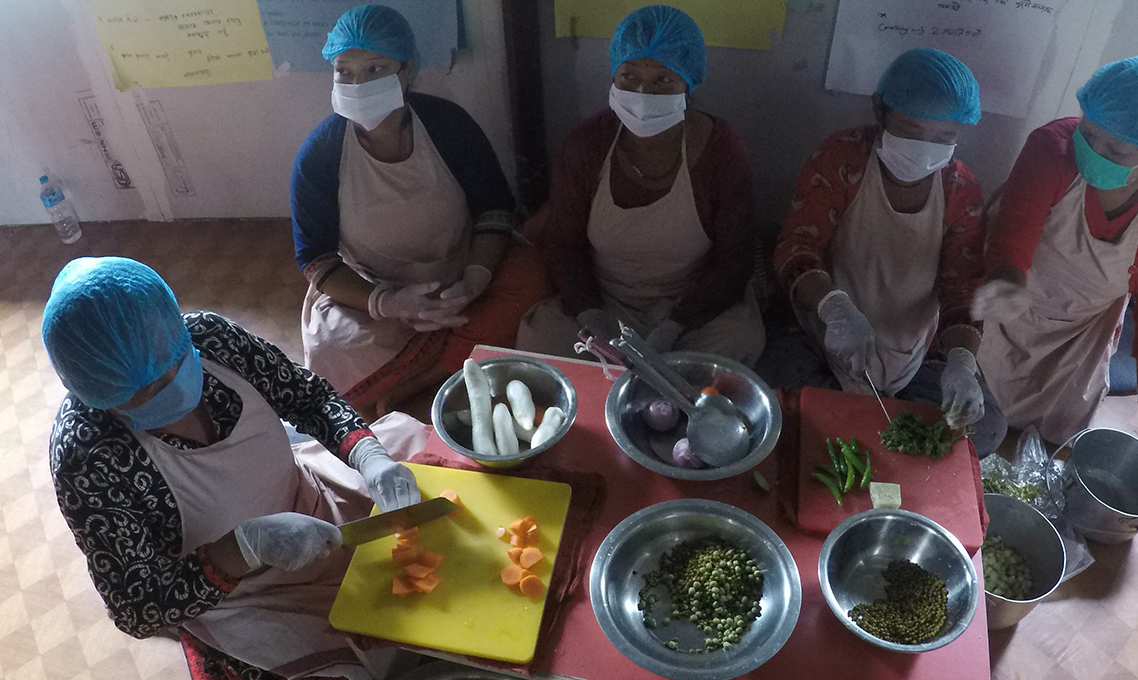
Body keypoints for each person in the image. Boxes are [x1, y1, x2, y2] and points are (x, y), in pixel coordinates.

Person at [45, 257, 422, 679]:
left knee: (418, 453)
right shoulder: (86, 456)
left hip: (317, 497)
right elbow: (137, 609)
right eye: (143, 393)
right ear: (99, 396)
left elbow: (308, 398)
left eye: (174, 364)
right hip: (248, 600)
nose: (168, 389)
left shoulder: (210, 337)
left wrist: (367, 455)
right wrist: (244, 548)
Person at [293, 5, 550, 419]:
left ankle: (426, 377)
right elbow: (316, 259)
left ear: (408, 70)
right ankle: (461, 359)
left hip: (460, 270)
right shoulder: (319, 156)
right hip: (377, 288)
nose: (358, 84)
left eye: (375, 68)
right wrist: (388, 302)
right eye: (345, 71)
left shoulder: (450, 127)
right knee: (331, 347)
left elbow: (495, 211)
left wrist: (474, 279)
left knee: (532, 278)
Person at [775, 48, 1006, 456]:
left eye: (944, 137)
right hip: (827, 337)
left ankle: (862, 417)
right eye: (911, 130)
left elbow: (962, 287)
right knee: (774, 391)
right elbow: (796, 246)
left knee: (985, 427)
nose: (925, 148)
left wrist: (960, 364)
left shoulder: (959, 188)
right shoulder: (843, 158)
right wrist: (834, 308)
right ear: (880, 111)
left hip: (913, 353)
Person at [973, 55, 1138, 453]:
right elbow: (1015, 232)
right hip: (1018, 293)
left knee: (1055, 431)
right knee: (980, 406)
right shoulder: (1051, 148)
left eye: (1116, 150)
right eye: (1090, 135)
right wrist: (1005, 281)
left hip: (1084, 329)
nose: (1095, 152)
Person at [516, 5, 765, 365]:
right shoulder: (585, 145)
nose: (643, 94)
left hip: (692, 305)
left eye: (664, 80)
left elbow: (735, 259)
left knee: (739, 340)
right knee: (538, 336)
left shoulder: (720, 149)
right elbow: (563, 245)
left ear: (688, 84)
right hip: (607, 299)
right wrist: (592, 318)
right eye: (629, 76)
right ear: (613, 77)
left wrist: (672, 327)